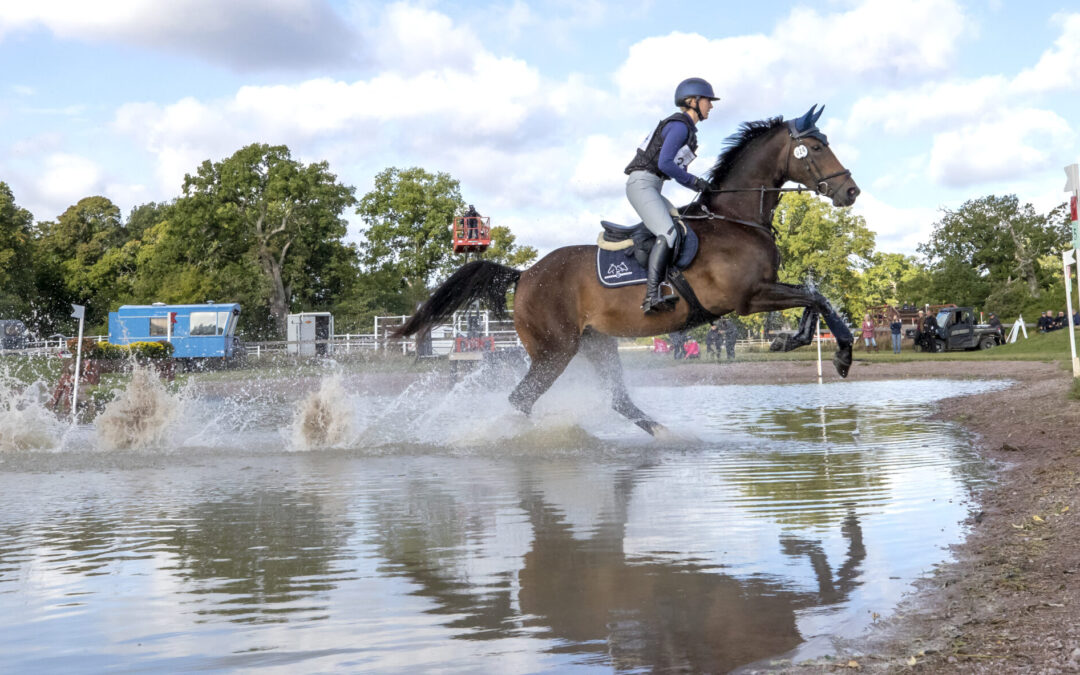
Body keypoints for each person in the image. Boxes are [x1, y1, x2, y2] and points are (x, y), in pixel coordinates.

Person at [624, 77, 719, 314]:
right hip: (643, 184)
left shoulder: (687, 132)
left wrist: (701, 187)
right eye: (708, 100)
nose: (712, 106)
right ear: (693, 101)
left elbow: (676, 168)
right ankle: (651, 296)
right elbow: (667, 164)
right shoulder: (679, 126)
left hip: (652, 186)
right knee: (668, 233)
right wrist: (695, 182)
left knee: (679, 227)